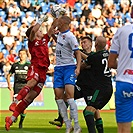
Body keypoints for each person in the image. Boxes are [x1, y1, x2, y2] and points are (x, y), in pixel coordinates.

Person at [5, 15, 57, 131]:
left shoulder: (44, 40)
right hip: (35, 67)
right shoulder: (32, 41)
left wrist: (57, 16)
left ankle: (11, 119)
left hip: (43, 71)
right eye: (39, 30)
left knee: (30, 99)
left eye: (40, 30)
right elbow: (33, 30)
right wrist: (41, 20)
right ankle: (15, 102)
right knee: (32, 82)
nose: (40, 31)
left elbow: (52, 28)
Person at [74, 36, 113, 133]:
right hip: (108, 87)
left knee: (88, 111)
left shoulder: (95, 57)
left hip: (100, 89)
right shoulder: (108, 54)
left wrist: (77, 65)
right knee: (94, 111)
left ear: (95, 44)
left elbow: (83, 65)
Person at [53, 16, 82, 133]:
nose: (57, 24)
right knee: (58, 97)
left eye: (59, 22)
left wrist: (78, 67)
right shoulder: (59, 34)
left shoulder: (71, 37)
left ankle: (77, 125)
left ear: (64, 23)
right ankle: (68, 124)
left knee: (70, 96)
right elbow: (54, 37)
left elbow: (77, 53)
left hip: (69, 67)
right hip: (58, 68)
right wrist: (55, 17)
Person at [108, 24, 133, 133]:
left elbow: (111, 62)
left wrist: (124, 66)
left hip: (125, 81)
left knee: (123, 128)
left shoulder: (122, 31)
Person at [6, 48, 30, 129]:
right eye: (20, 53)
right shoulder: (15, 65)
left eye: (23, 54)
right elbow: (9, 75)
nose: (21, 55)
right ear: (18, 55)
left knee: (23, 107)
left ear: (26, 55)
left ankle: (21, 122)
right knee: (15, 105)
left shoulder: (29, 65)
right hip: (17, 87)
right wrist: (9, 84)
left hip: (26, 87)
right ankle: (15, 116)